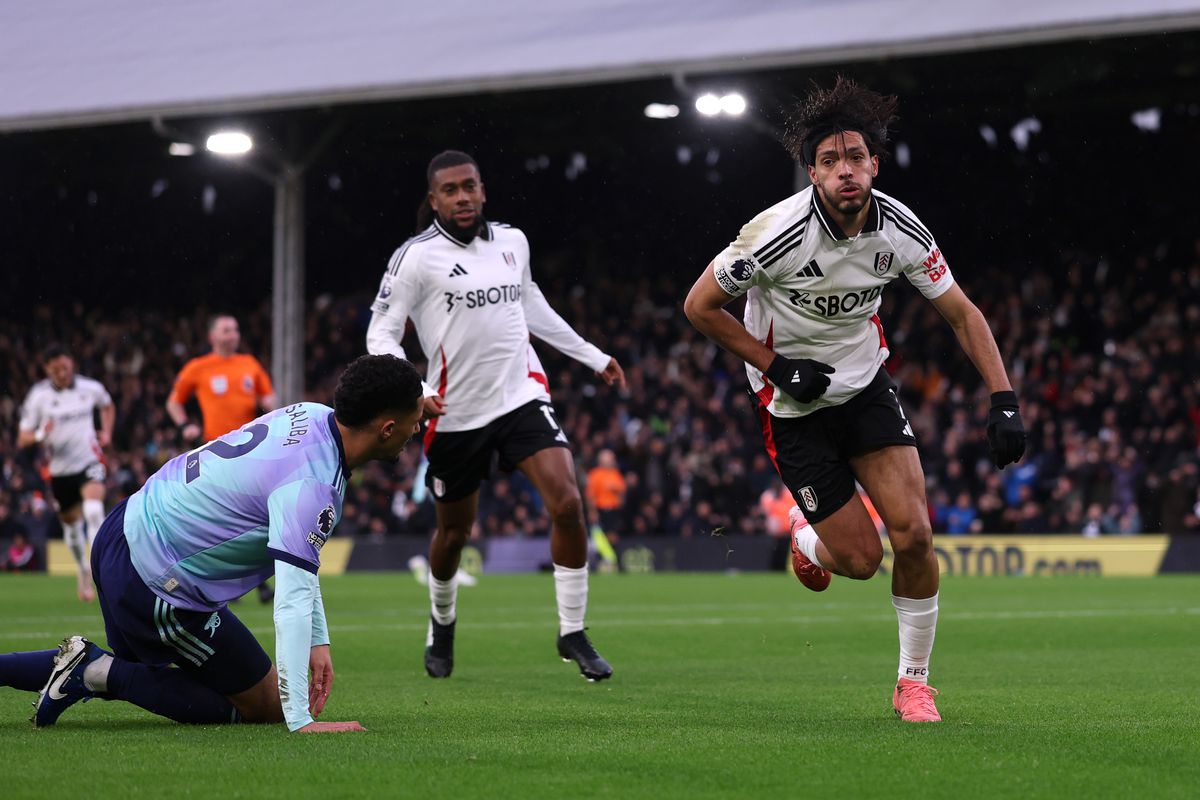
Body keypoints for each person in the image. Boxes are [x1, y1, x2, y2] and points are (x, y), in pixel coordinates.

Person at [683, 77, 1026, 722]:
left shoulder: (901, 230)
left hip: (865, 389)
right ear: (811, 171)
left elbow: (961, 313)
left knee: (917, 535)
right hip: (792, 408)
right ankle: (808, 539)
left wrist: (1003, 398)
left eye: (856, 157)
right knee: (863, 561)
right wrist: (776, 366)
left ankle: (914, 683)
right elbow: (699, 307)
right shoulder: (774, 233)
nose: (846, 171)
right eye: (830, 161)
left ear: (874, 163)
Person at [0, 354, 424, 732]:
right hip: (154, 581)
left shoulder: (312, 415)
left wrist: (319, 640)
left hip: (125, 526)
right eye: (415, 418)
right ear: (388, 428)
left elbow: (302, 559)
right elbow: (290, 598)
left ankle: (67, 668)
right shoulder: (314, 483)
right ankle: (95, 670)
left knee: (142, 666)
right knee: (263, 706)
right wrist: (300, 719)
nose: (417, 428)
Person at [366, 150, 626, 681]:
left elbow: (532, 306)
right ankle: (442, 621)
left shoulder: (513, 241)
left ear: (483, 190)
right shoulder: (415, 258)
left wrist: (592, 356)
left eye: (470, 186)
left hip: (519, 396)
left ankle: (572, 630)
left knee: (569, 502)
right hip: (454, 412)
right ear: (434, 199)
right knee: (454, 534)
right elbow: (381, 335)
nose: (462, 197)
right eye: (450, 190)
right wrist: (415, 388)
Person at [167, 313, 278, 603]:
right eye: (227, 329)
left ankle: (255, 580)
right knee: (222, 518)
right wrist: (184, 426)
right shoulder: (199, 367)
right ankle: (231, 581)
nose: (233, 334)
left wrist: (269, 406)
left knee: (256, 514)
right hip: (214, 451)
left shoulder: (249, 364)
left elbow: (270, 398)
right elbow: (174, 401)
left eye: (236, 329)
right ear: (212, 337)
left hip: (251, 450)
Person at [17, 343, 115, 601]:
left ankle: (100, 570)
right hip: (60, 470)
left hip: (89, 461)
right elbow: (23, 438)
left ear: (72, 363)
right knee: (72, 528)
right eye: (56, 369)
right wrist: (40, 434)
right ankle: (82, 568)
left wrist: (106, 432)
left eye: (65, 367)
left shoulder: (89, 388)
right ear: (47, 369)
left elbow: (107, 405)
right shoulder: (38, 397)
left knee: (94, 511)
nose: (62, 373)